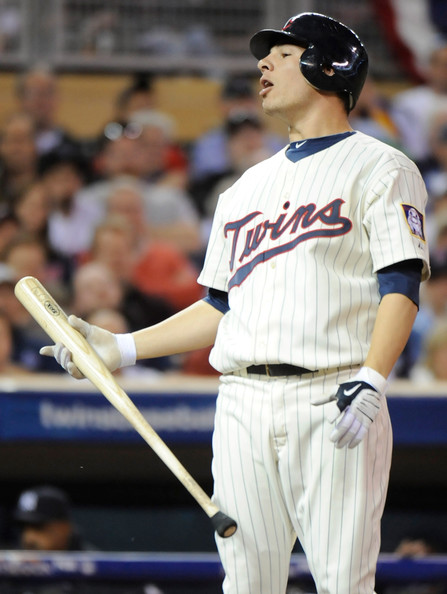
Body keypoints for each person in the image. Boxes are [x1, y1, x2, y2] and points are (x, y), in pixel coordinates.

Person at [40, 12, 430, 594]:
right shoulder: (243, 188)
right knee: (246, 584)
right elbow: (222, 307)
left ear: (329, 67)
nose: (264, 63)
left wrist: (373, 377)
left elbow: (401, 285)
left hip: (334, 396)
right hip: (242, 401)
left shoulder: (382, 165)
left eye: (284, 53)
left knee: (344, 584)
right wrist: (121, 348)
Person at [12, 485, 94, 551]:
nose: (28, 538)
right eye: (23, 527)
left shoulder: (93, 563)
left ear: (64, 528)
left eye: (38, 527)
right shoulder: (12, 563)